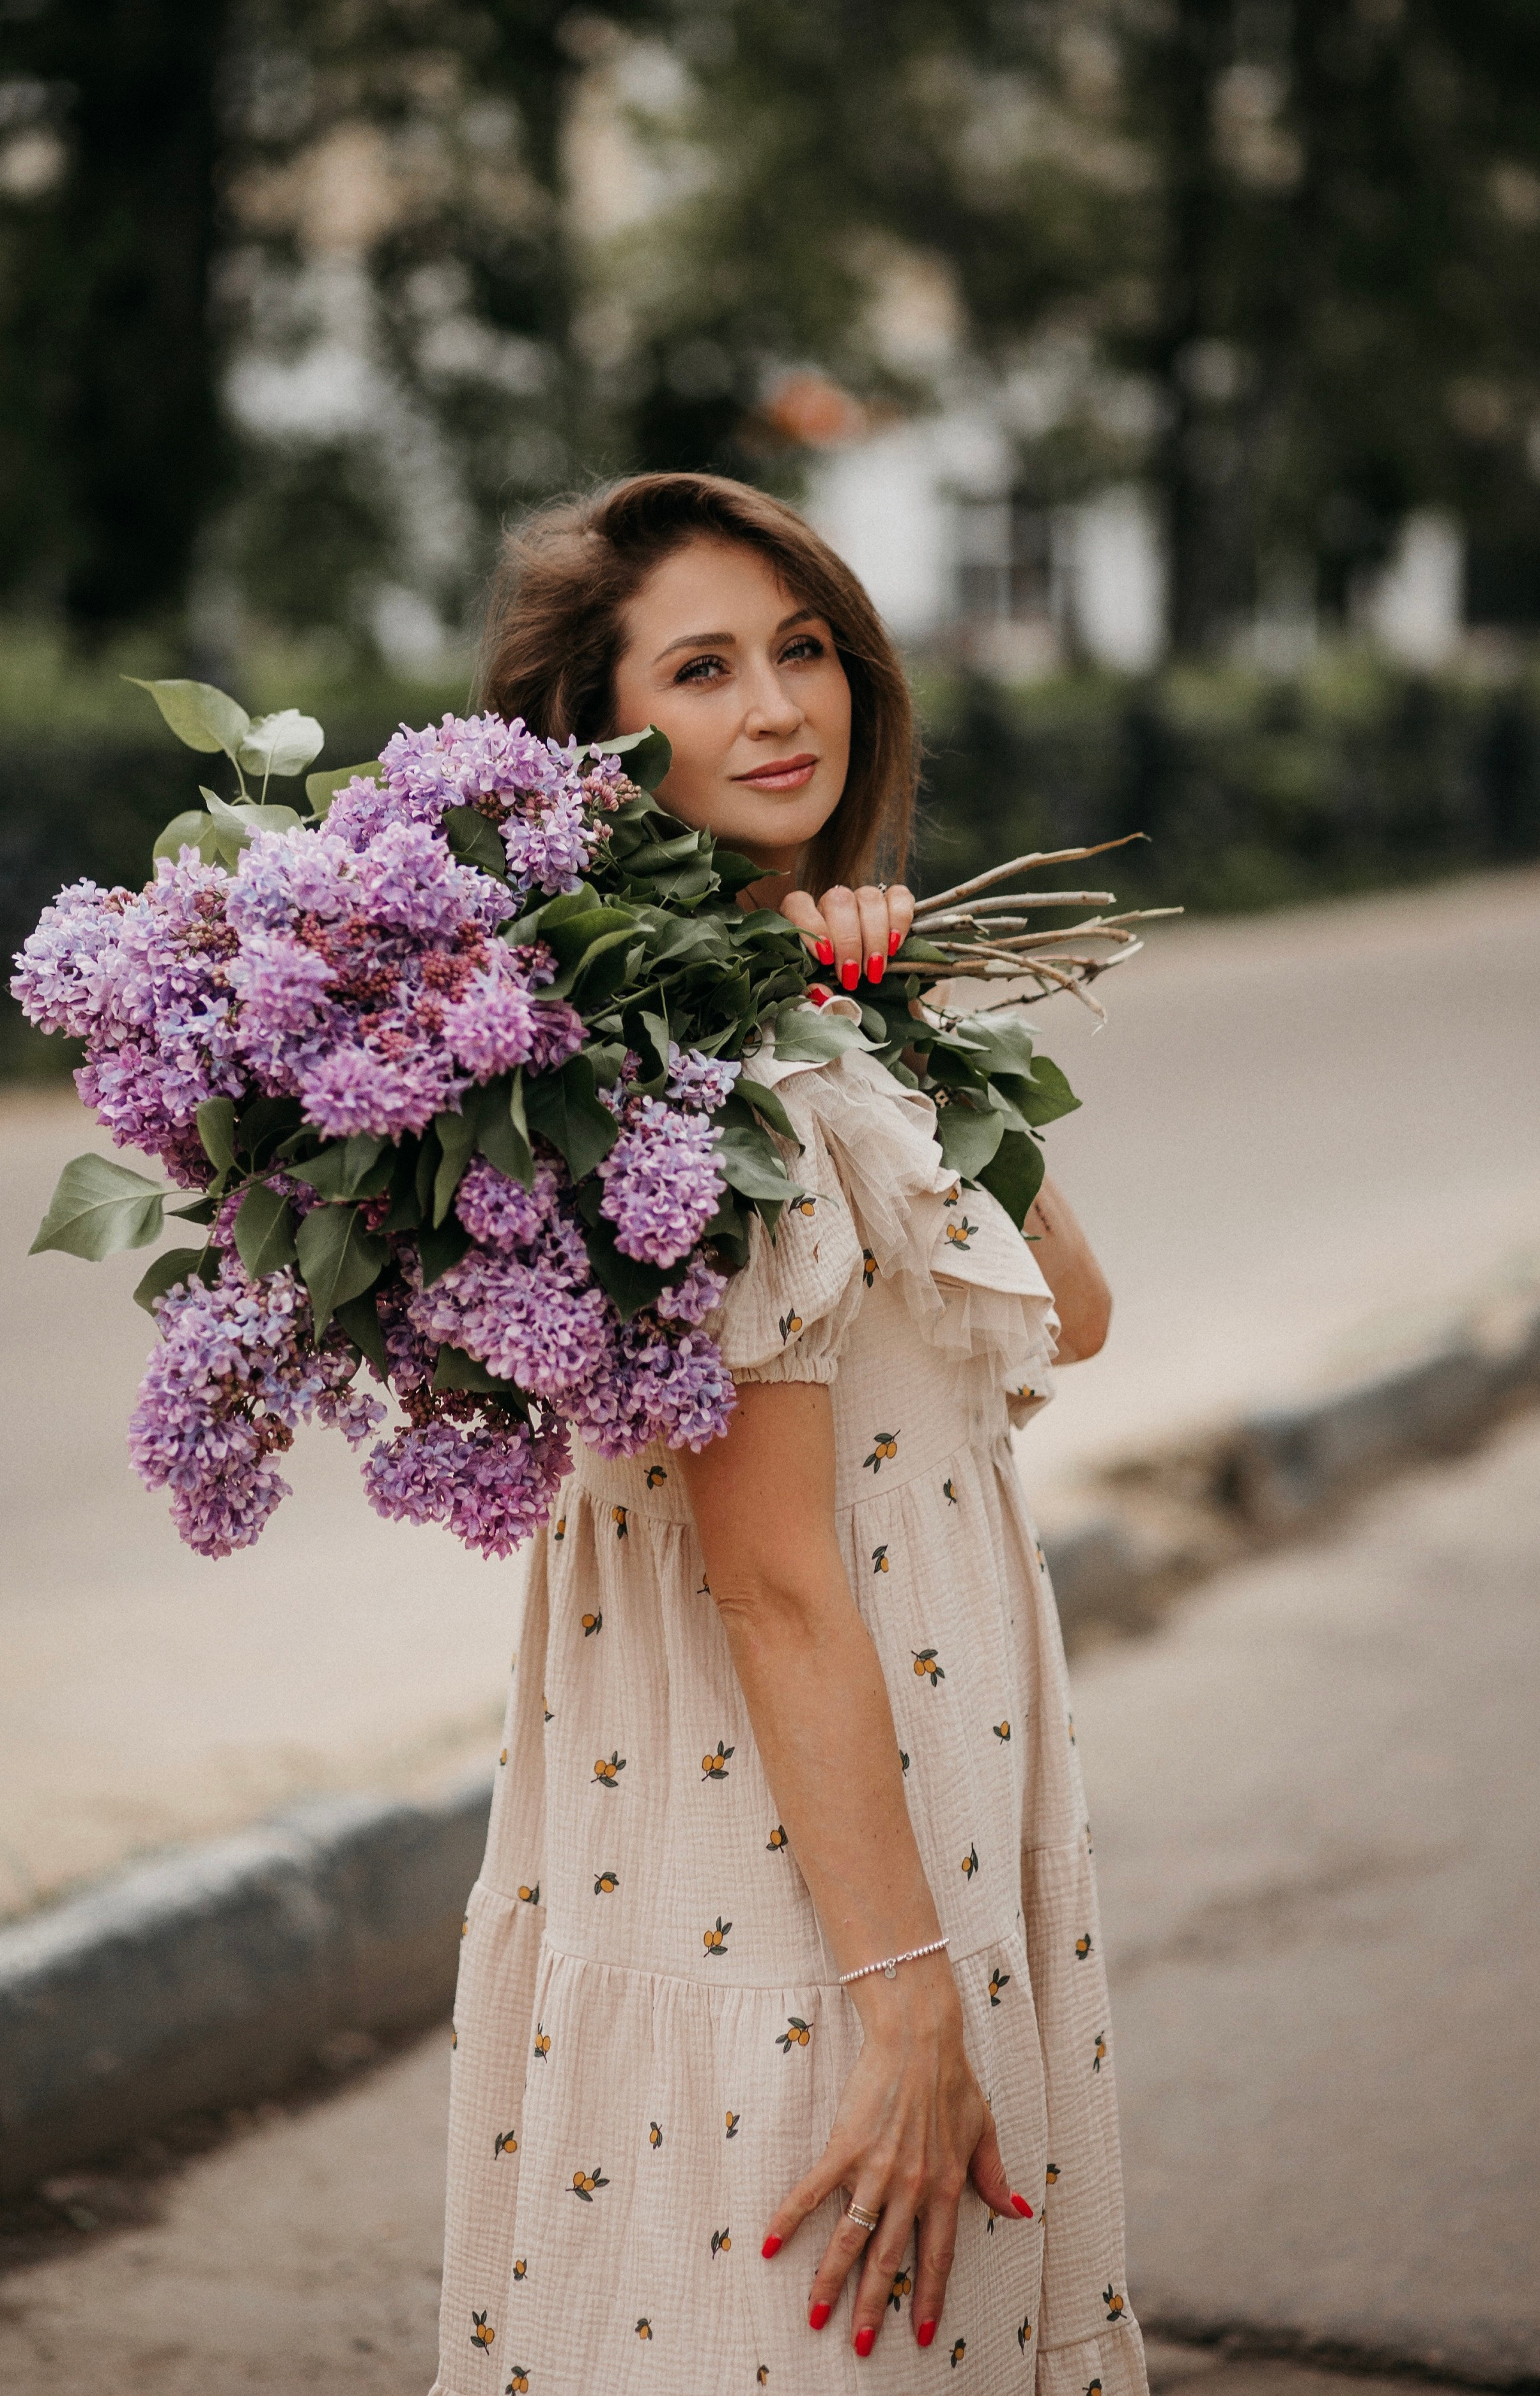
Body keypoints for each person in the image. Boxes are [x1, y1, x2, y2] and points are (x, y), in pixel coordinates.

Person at [431, 472, 1143, 2396]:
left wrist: (903, 1013)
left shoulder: (812, 1021)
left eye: (803, 649)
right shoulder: (673, 1085)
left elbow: (1068, 1309)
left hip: (922, 1785)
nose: (777, 708)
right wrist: (903, 2003)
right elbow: (766, 1577)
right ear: (601, 739)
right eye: (705, 667)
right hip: (799, 1857)